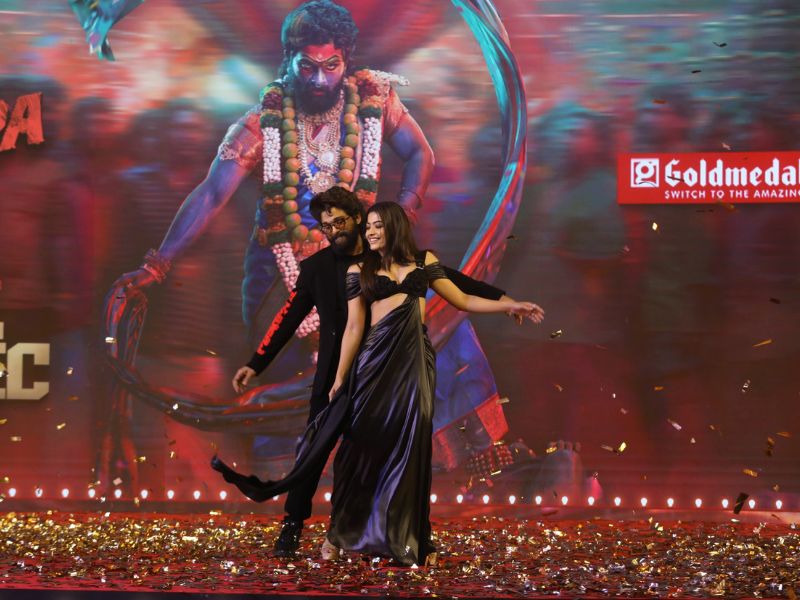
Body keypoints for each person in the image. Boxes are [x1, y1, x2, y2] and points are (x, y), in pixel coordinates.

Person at [213, 201, 543, 566]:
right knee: (359, 451)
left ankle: (411, 537)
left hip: (414, 366)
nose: (369, 232)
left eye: (376, 226)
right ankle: (340, 532)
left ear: (393, 227)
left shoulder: (425, 262)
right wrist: (340, 377)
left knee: (411, 449)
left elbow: (463, 297)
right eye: (367, 226)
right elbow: (354, 327)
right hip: (372, 368)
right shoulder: (359, 270)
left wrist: (509, 305)